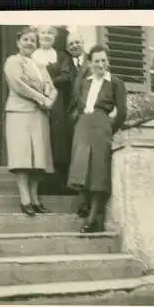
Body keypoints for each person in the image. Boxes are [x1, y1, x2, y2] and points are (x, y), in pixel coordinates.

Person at [68, 44, 128, 233]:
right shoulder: (85, 82)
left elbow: (122, 113)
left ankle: (93, 218)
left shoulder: (116, 82)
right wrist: (77, 120)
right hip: (83, 126)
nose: (100, 64)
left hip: (102, 126)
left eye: (103, 60)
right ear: (90, 63)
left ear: (107, 61)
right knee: (82, 165)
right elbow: (76, 104)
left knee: (98, 170)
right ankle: (85, 203)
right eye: (96, 61)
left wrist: (109, 128)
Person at [3, 26, 58, 217]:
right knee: (23, 157)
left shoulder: (40, 66)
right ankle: (25, 199)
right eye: (25, 39)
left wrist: (50, 99)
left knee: (38, 159)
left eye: (33, 40)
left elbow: (51, 87)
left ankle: (35, 199)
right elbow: (18, 84)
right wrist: (41, 98)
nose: (29, 43)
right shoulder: (13, 61)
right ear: (18, 42)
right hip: (19, 112)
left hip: (40, 115)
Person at [32, 26, 73, 192]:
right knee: (38, 139)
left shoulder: (61, 56)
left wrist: (45, 81)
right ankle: (37, 184)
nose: (46, 36)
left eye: (50, 33)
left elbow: (66, 77)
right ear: (38, 36)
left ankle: (56, 185)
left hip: (57, 103)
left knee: (57, 139)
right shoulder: (31, 56)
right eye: (43, 32)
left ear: (54, 37)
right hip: (35, 102)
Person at [65, 31, 94, 218]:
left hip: (88, 116)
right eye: (71, 44)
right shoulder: (68, 63)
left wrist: (80, 111)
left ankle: (87, 203)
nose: (74, 46)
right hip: (75, 117)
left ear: (83, 43)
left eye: (77, 42)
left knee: (87, 159)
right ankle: (83, 200)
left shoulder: (90, 64)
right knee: (79, 159)